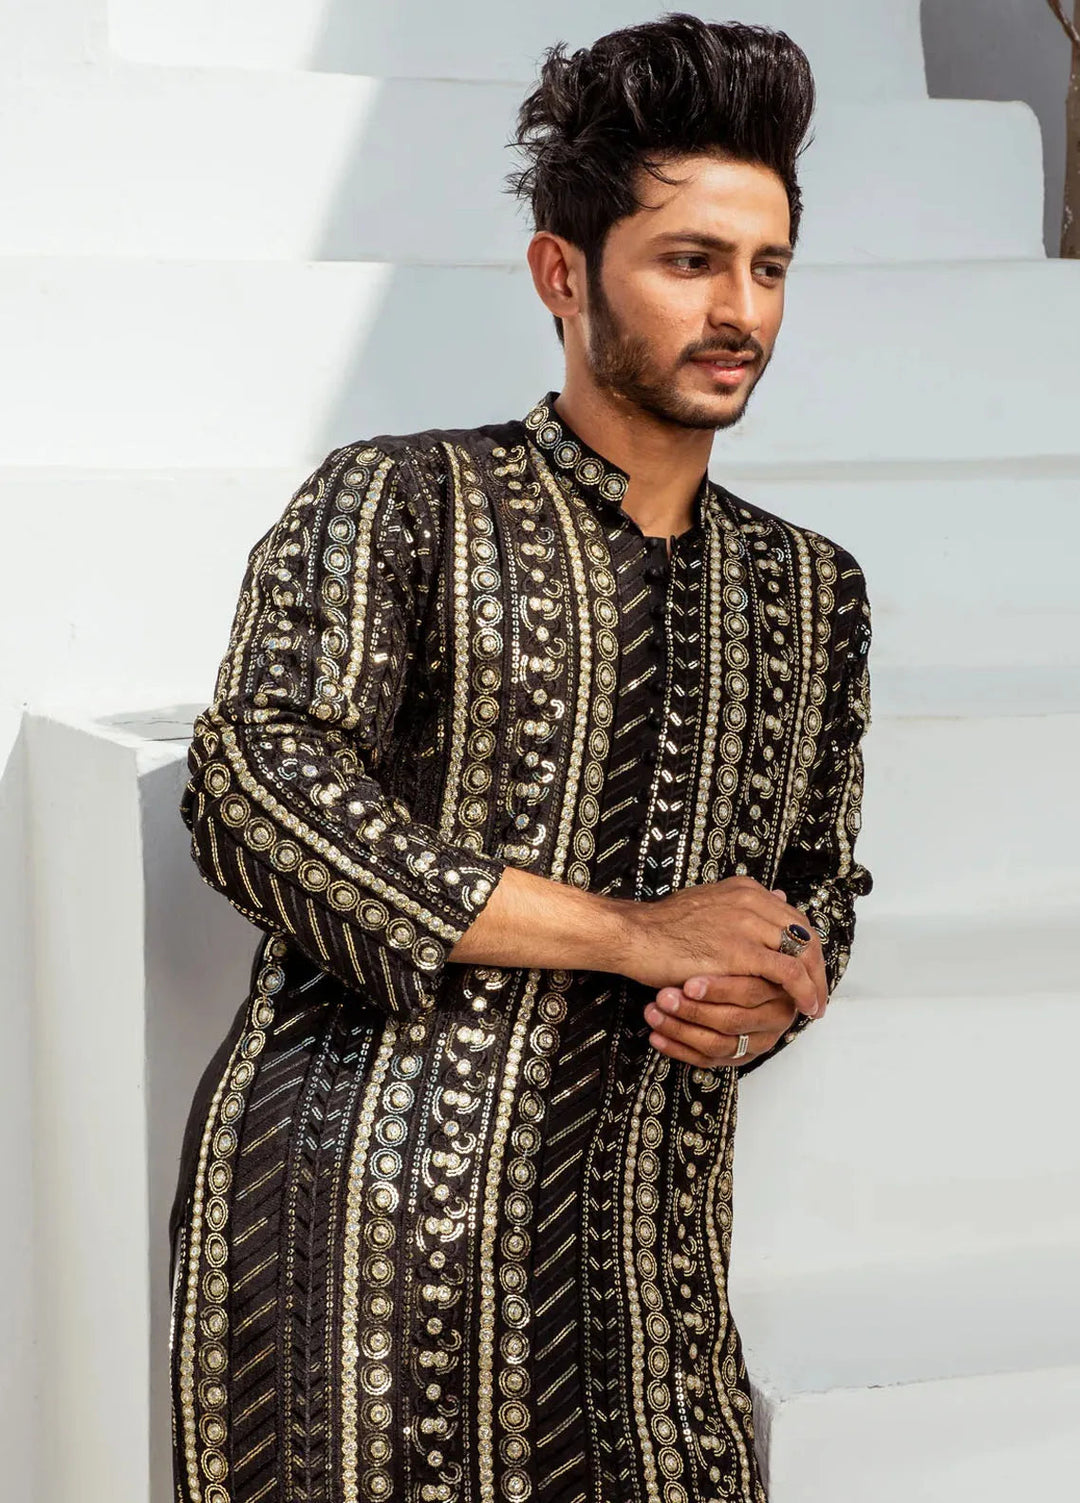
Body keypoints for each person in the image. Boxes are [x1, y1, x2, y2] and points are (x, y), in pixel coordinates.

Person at [169, 14, 874, 1502]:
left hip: (644, 1246)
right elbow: (256, 786)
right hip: (363, 1243)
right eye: (690, 261)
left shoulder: (812, 589)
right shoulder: (403, 500)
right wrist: (632, 934)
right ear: (564, 272)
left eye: (768, 267)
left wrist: (776, 984)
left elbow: (815, 880)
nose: (738, 309)